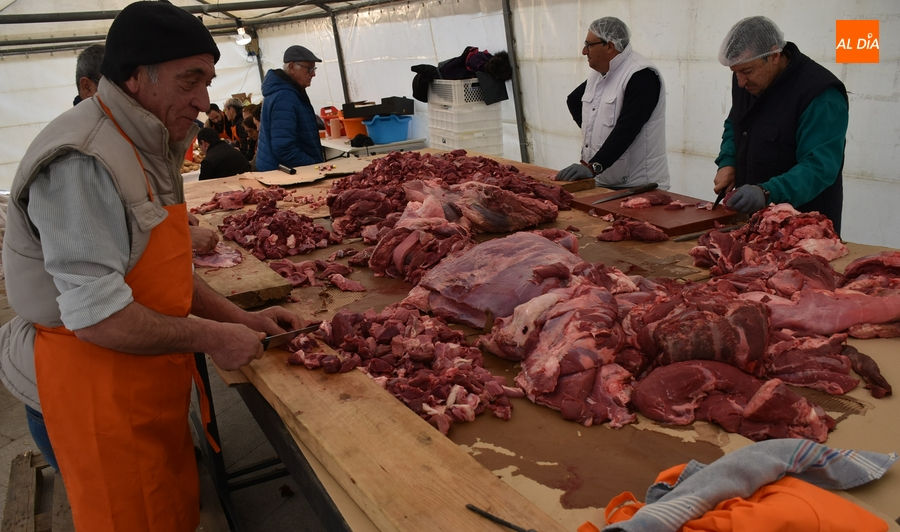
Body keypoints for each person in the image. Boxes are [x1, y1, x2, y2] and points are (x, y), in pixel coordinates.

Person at [0, 2, 305, 530]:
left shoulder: (147, 141)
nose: (205, 101)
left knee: (169, 507)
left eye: (208, 81)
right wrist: (213, 338)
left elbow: (158, 271)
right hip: (93, 385)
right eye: (191, 80)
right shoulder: (85, 160)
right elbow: (98, 317)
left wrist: (242, 319)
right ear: (137, 77)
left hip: (141, 376)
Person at [713, 16, 848, 234]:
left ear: (774, 55)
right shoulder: (746, 79)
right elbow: (735, 122)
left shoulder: (820, 95)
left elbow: (819, 167)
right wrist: (728, 161)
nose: (740, 82)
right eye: (735, 72)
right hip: (756, 222)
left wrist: (767, 192)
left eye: (747, 71)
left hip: (804, 227)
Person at [557, 17, 669, 190]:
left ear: (609, 46)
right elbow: (574, 101)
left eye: (589, 45)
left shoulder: (641, 75)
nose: (584, 51)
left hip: (638, 185)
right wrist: (596, 134)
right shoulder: (600, 72)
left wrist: (594, 166)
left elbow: (627, 128)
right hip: (606, 180)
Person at [256, 45, 325, 171]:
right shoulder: (285, 96)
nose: (313, 74)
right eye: (309, 69)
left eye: (314, 68)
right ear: (292, 67)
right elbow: (284, 148)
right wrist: (314, 166)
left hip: (280, 170)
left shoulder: (289, 91)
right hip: (283, 174)